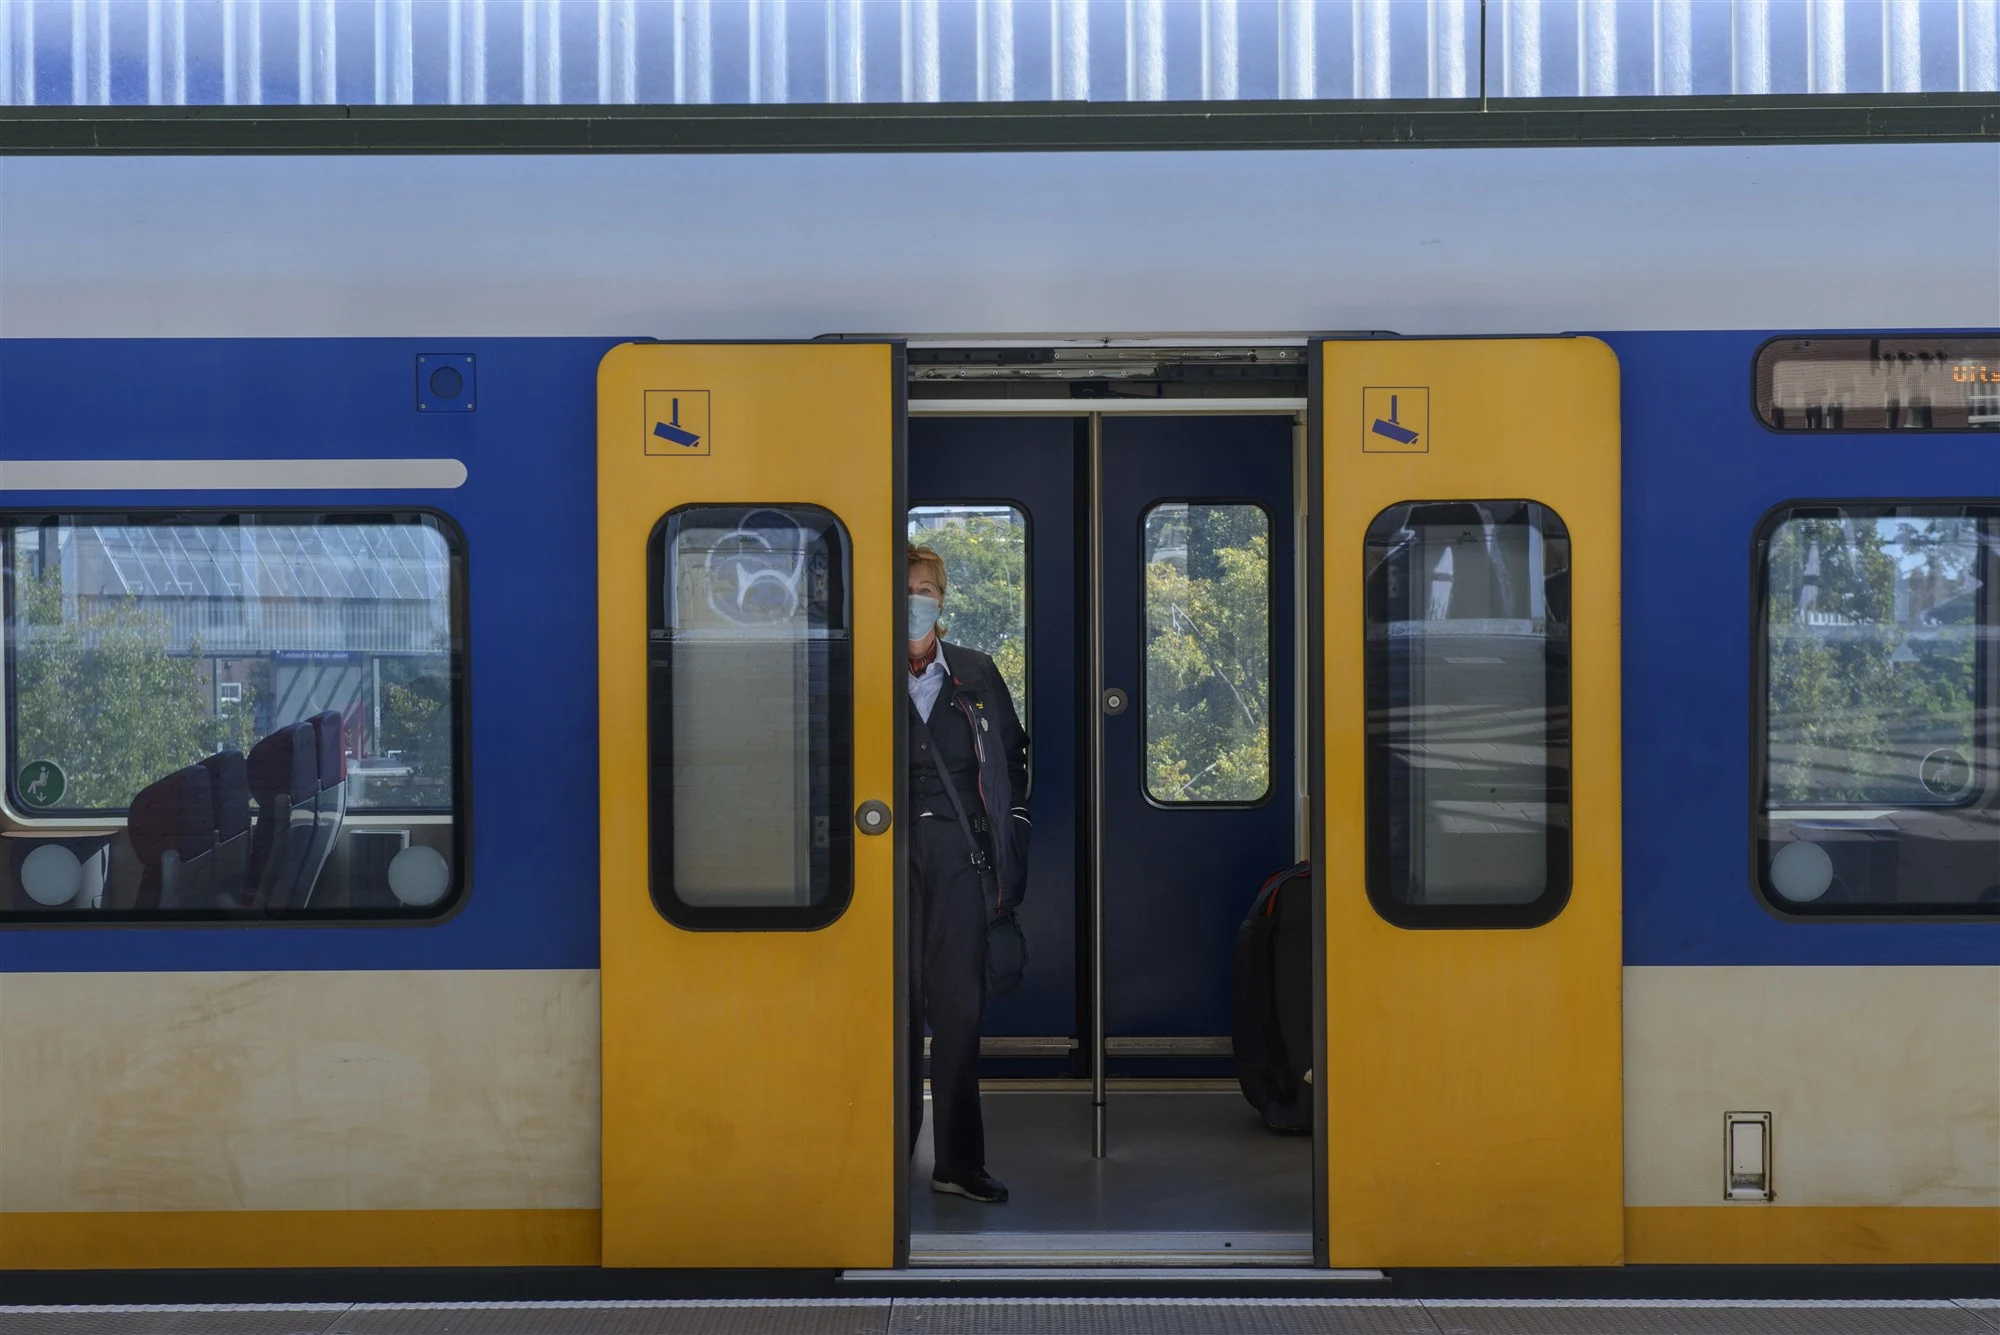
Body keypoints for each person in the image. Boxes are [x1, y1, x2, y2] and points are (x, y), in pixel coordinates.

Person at [906, 542, 1030, 1204]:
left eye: (925, 587)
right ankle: (887, 1157)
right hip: (882, 864)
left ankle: (957, 1162)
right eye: (903, 588)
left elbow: (1014, 761)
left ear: (942, 599)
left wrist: (1014, 838)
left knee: (958, 1013)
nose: (914, 599)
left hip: (960, 863)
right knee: (890, 1016)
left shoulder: (977, 673)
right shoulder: (861, 670)